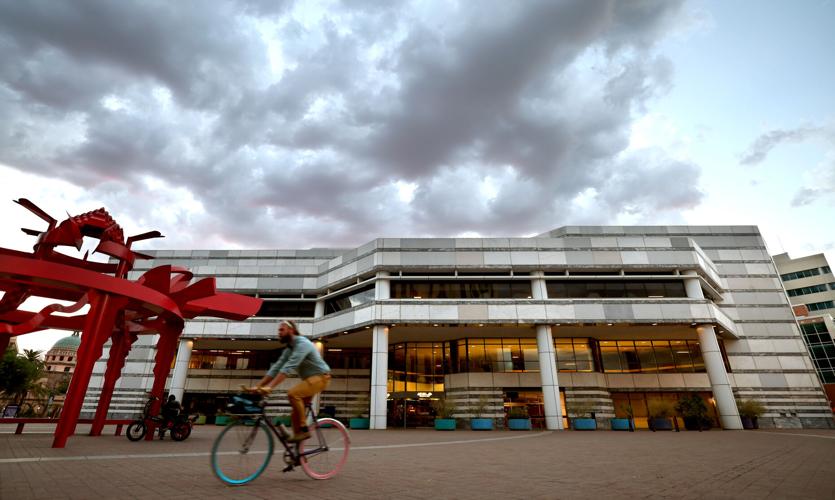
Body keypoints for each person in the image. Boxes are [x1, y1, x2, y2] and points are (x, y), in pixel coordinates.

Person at [251, 320, 331, 442]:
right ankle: (298, 449)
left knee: (293, 394)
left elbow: (289, 367)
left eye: (282, 330)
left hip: (321, 377)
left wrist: (270, 387)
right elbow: (276, 367)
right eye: (279, 330)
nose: (279, 332)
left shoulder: (302, 343)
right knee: (295, 414)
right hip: (310, 380)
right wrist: (258, 386)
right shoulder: (290, 349)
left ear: (291, 330)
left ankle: (304, 429)